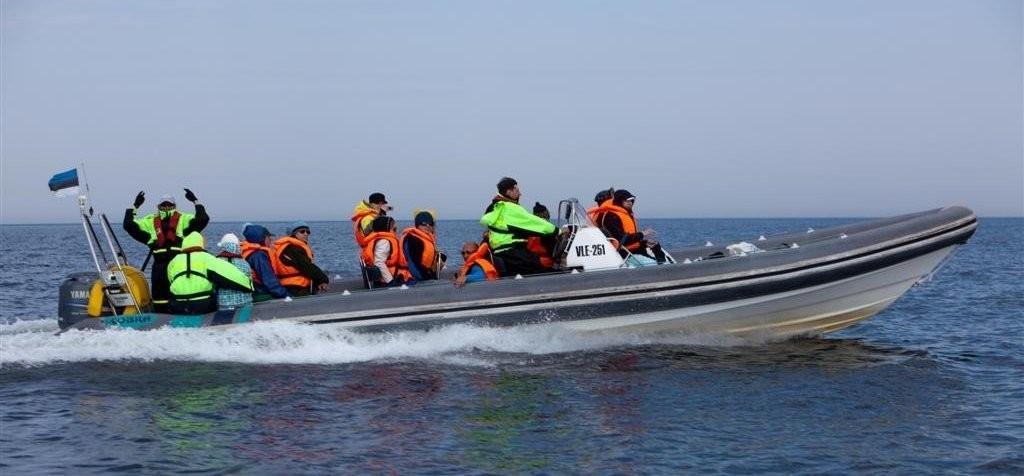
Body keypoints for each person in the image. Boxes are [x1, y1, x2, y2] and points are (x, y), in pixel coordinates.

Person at [123, 189, 209, 313]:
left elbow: (203, 218)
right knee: (159, 298)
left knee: (178, 294)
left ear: (174, 206)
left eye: (169, 205)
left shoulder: (184, 219)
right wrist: (135, 206)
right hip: (159, 266)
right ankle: (158, 322)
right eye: (164, 205)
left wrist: (195, 201)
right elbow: (128, 224)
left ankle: (181, 317)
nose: (167, 207)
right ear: (159, 207)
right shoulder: (149, 221)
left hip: (178, 266)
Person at [480, 177, 557, 277]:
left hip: (502, 252)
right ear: (508, 192)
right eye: (517, 190)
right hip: (514, 252)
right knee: (544, 270)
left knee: (537, 264)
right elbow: (532, 222)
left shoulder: (494, 207)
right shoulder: (509, 207)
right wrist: (557, 231)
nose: (520, 194)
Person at [166, 232, 253, 315]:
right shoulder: (207, 258)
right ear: (201, 244)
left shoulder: (173, 261)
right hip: (202, 304)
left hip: (177, 304)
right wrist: (248, 284)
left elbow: (171, 280)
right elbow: (231, 274)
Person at [599, 189, 667, 263]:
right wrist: (642, 234)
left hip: (635, 251)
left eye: (632, 200)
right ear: (620, 201)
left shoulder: (626, 214)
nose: (630, 203)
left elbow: (630, 240)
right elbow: (622, 240)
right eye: (627, 200)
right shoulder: (612, 217)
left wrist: (644, 243)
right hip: (625, 255)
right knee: (655, 265)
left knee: (657, 248)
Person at [273, 222, 329, 296]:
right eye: (302, 231)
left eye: (308, 232)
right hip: (296, 286)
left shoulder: (288, 247)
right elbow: (307, 266)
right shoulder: (293, 248)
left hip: (290, 284)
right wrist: (323, 279)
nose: (306, 234)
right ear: (293, 234)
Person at [240, 223, 291, 302]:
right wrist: (285, 294)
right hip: (260, 293)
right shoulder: (259, 256)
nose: (271, 239)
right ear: (261, 238)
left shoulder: (248, 252)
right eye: (268, 237)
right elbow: (269, 280)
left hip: (252, 292)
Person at [360, 215, 407, 288]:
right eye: (393, 227)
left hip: (389, 276)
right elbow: (378, 262)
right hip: (389, 278)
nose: (396, 228)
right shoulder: (384, 241)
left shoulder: (380, 239)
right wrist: (390, 281)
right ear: (386, 228)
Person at [400, 211, 446, 283]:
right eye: (424, 224)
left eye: (430, 224)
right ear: (417, 225)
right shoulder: (412, 239)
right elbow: (412, 264)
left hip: (423, 275)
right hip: (410, 278)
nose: (428, 226)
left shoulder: (427, 238)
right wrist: (426, 278)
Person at [215, 233, 253, 311]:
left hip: (224, 305)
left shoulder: (216, 262)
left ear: (223, 247)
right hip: (246, 303)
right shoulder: (245, 263)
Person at [526, 202, 556, 270]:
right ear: (545, 214)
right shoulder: (546, 230)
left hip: (531, 262)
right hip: (546, 264)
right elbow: (554, 251)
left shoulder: (528, 228)